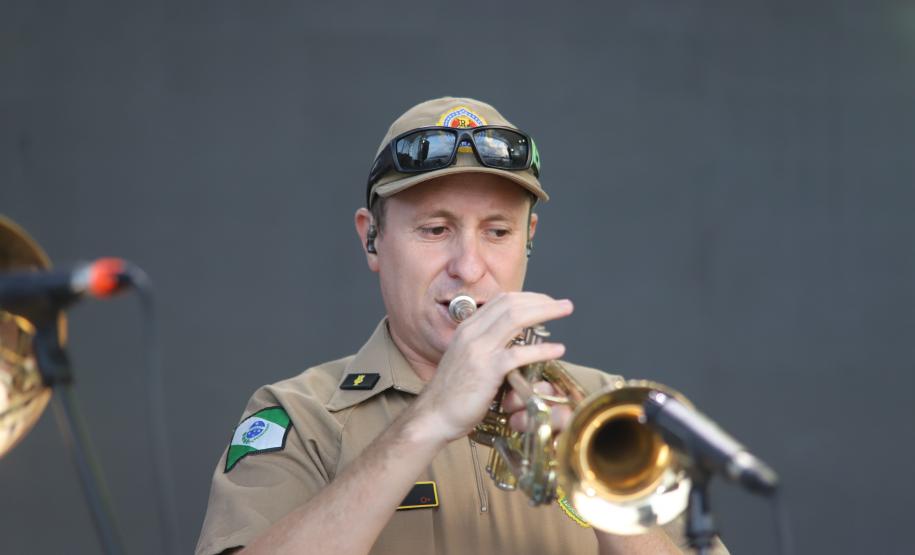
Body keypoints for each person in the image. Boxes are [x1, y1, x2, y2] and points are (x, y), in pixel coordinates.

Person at [195, 97, 728, 555]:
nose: (469, 267)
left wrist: (603, 484)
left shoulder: (612, 410)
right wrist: (427, 420)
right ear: (372, 239)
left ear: (529, 238)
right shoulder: (301, 417)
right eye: (435, 229)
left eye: (497, 232)